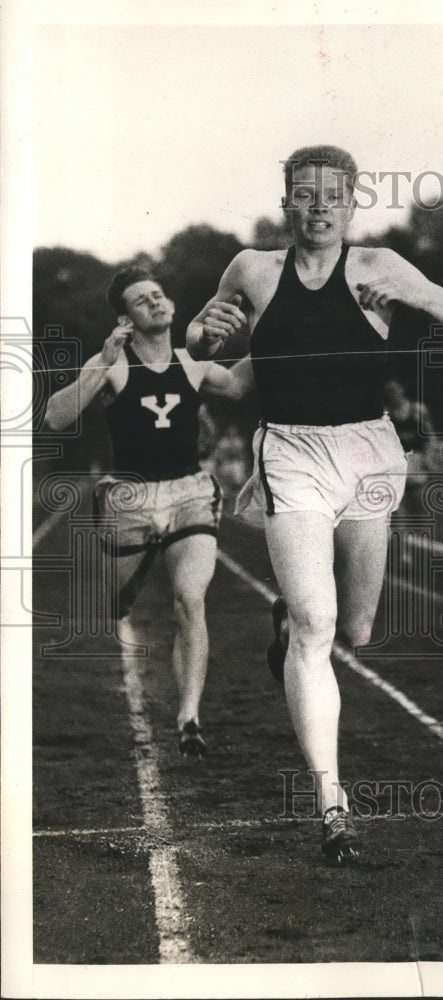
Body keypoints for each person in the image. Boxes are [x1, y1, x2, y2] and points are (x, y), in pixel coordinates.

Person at [187, 144, 443, 861]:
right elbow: (200, 337)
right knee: (315, 623)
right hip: (291, 451)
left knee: (354, 629)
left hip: (370, 453)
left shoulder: (379, 266)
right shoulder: (251, 268)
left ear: (352, 203)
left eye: (332, 195)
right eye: (304, 193)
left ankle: (291, 623)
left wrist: (421, 301)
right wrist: (207, 333)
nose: (318, 206)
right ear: (285, 200)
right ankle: (332, 804)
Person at [44, 266, 253, 757]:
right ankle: (127, 591)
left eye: (160, 295)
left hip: (189, 492)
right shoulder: (113, 363)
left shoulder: (193, 362)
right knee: (120, 600)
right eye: (143, 301)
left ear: (173, 306)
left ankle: (189, 716)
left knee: (189, 599)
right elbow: (56, 416)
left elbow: (242, 384)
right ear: (126, 318)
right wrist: (102, 362)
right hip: (129, 499)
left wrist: (271, 330)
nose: (156, 303)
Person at [384, 378, 439, 522]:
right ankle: (402, 538)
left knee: (419, 507)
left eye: (395, 389)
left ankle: (423, 537)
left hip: (415, 460)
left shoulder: (417, 410)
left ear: (402, 389)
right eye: (390, 391)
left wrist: (429, 457)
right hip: (395, 464)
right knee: (397, 511)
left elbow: (430, 436)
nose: (393, 393)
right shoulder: (385, 414)